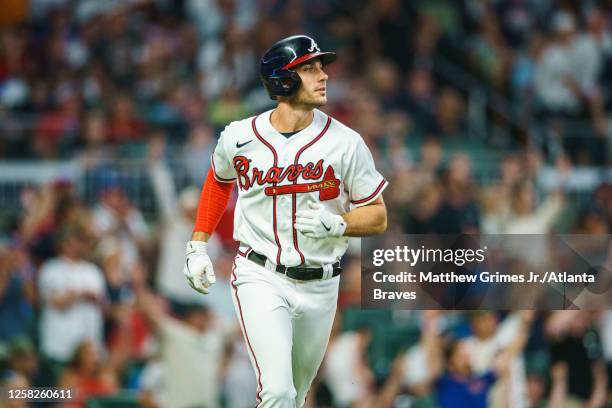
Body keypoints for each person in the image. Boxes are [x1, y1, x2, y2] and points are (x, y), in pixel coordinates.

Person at [183, 35, 388, 407]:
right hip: (260, 274)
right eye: (309, 68)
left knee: (294, 397)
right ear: (282, 79)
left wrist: (340, 223)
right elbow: (217, 181)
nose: (323, 75)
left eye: (321, 67)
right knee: (277, 391)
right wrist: (198, 244)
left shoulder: (346, 142)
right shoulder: (240, 136)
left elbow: (378, 216)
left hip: (321, 284)